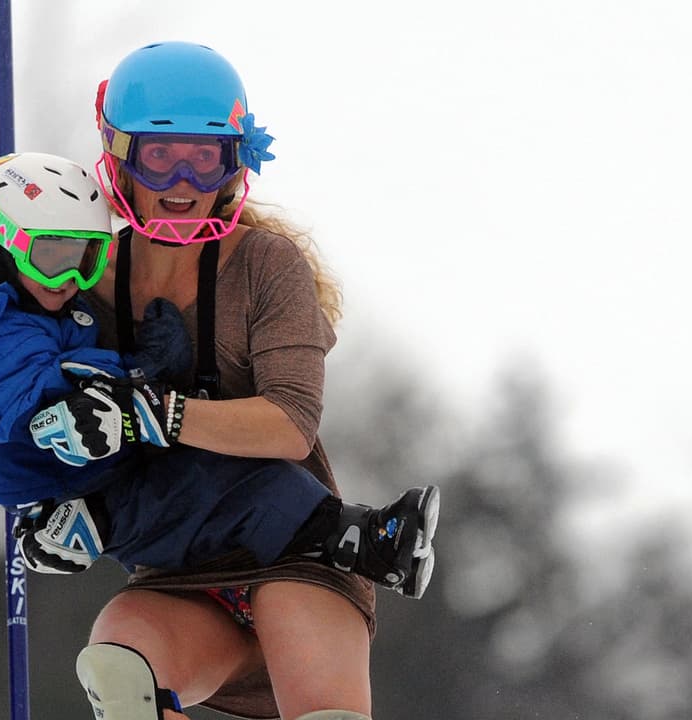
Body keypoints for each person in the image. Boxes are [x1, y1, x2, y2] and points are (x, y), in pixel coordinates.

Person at [25, 41, 435, 720]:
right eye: (161, 154)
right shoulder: (88, 272)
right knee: (118, 673)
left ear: (234, 160)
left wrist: (158, 413)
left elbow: (289, 421)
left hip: (295, 553)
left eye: (205, 154)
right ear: (119, 154)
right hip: (178, 571)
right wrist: (50, 507)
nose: (183, 176)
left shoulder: (266, 266)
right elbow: (37, 400)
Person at [0, 152, 437, 599]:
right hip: (78, 490)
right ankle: (361, 541)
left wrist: (143, 370)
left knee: (224, 469)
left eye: (87, 257)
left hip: (104, 467)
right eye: (52, 257)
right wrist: (144, 370)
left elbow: (86, 381)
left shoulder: (30, 307)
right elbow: (45, 398)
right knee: (221, 485)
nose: (70, 277)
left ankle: (350, 541)